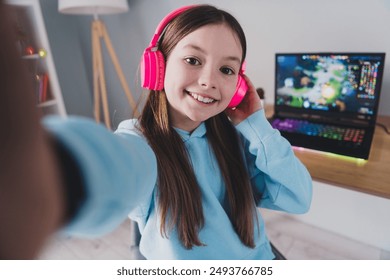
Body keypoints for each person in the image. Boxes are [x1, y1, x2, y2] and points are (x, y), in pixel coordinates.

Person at [0, 3, 312, 259]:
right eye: (193, 60)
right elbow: (115, 165)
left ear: (239, 85)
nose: (209, 80)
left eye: (227, 69)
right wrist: (48, 166)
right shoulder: (142, 144)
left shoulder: (238, 139)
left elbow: (298, 198)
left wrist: (255, 124)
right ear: (157, 67)